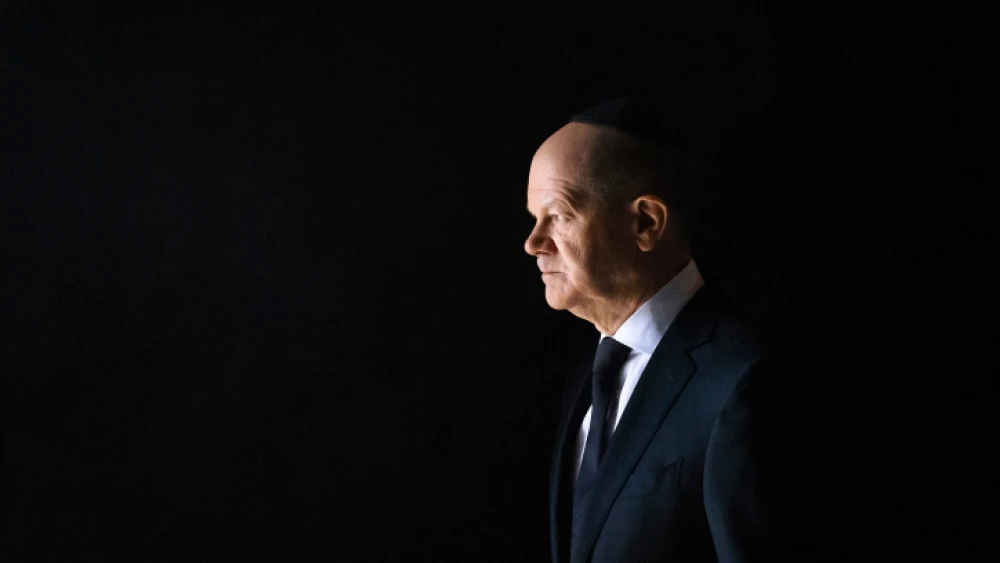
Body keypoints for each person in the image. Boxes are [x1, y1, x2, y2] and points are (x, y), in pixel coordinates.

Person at [524, 98, 792, 563]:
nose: (533, 243)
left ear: (645, 223)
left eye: (559, 215)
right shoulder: (587, 376)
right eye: (534, 219)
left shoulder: (744, 381)